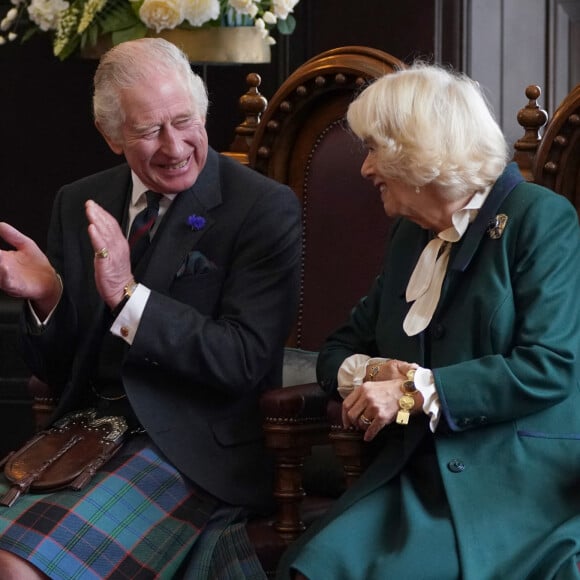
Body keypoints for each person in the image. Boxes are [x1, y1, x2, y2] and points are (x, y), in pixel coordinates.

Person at [0, 37, 301, 579]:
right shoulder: (79, 200)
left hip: (191, 449)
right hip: (82, 434)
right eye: (147, 131)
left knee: (18, 568)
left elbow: (243, 359)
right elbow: (56, 369)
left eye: (184, 120)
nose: (174, 145)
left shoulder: (260, 207)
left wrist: (128, 296)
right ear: (112, 135)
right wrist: (49, 298)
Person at [278, 63, 580, 579]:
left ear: (418, 153)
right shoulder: (410, 236)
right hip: (413, 471)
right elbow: (337, 350)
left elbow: (550, 366)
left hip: (515, 482)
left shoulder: (540, 219)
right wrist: (375, 377)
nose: (366, 169)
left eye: (374, 149)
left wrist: (418, 390)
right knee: (310, 569)